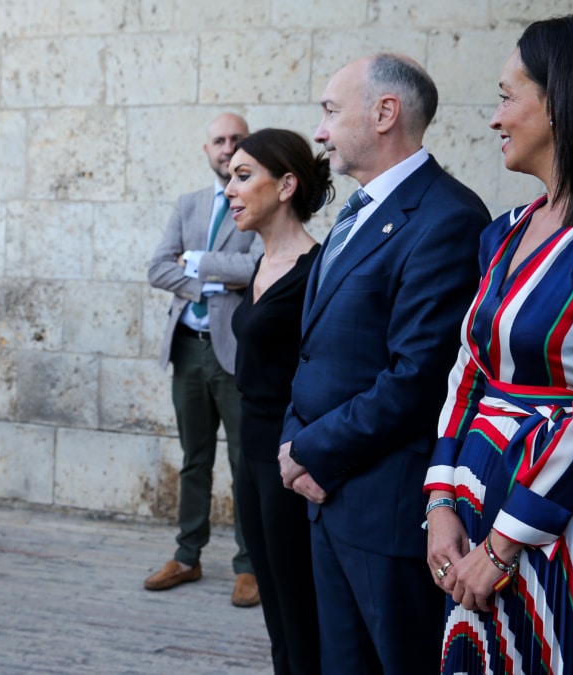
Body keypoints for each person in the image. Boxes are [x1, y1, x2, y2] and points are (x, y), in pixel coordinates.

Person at [277, 54, 490, 674]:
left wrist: (311, 450)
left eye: (329, 111)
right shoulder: (358, 209)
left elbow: (417, 379)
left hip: (384, 515)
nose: (319, 131)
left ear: (384, 113)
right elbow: (316, 350)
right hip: (326, 496)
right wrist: (299, 448)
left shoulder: (447, 218)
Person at [425, 14, 573, 673]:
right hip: (475, 508)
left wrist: (505, 544)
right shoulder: (502, 233)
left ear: (564, 100)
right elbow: (466, 371)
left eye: (508, 96)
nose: (495, 118)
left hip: (560, 522)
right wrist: (441, 501)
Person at [145, 113, 262, 606]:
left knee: (243, 461)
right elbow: (156, 267)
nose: (227, 147)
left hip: (233, 352)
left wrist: (194, 262)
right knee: (195, 458)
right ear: (207, 148)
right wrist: (209, 286)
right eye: (220, 140)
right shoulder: (189, 204)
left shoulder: (258, 202)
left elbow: (256, 267)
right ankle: (187, 554)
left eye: (237, 141)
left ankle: (249, 565)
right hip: (187, 350)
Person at [227, 129, 331, 674]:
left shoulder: (318, 269)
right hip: (251, 444)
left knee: (298, 604)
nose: (230, 190)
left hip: (290, 450)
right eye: (229, 177)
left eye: (244, 176)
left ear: (286, 184)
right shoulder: (259, 263)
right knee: (273, 603)